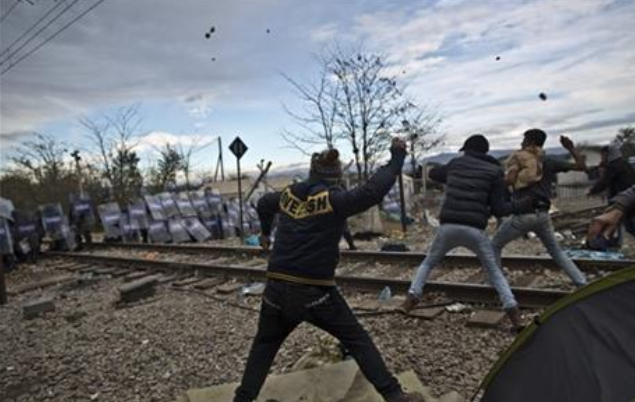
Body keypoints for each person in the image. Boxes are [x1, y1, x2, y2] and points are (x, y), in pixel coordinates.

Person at [232, 138, 423, 402]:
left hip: (275, 289)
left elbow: (264, 203)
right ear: (336, 178)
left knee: (264, 345)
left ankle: (242, 399)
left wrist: (265, 233)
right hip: (315, 293)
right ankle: (394, 396)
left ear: (312, 172)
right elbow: (372, 192)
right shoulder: (334, 200)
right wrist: (398, 156)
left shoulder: (287, 195)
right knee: (357, 339)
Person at [401, 134, 534, 330]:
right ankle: (514, 314)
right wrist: (522, 204)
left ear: (467, 150)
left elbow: (434, 174)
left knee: (429, 262)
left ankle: (410, 299)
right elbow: (499, 209)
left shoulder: (456, 163)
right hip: (474, 229)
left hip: (448, 226)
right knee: (494, 272)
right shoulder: (495, 171)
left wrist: (441, 171)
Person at [491, 129, 587, 288]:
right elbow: (581, 166)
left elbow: (507, 182)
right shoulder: (549, 162)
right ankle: (581, 283)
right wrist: (570, 148)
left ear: (530, 142)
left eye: (524, 141)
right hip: (543, 215)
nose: (521, 144)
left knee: (494, 245)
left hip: (523, 215)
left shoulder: (519, 160)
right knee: (556, 252)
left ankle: (497, 283)